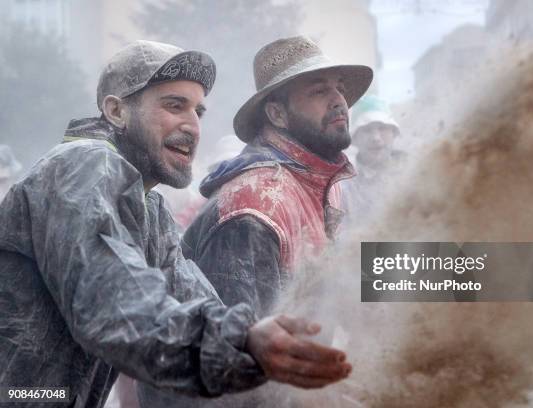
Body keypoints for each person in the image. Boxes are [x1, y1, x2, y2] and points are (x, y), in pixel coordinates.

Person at [0, 40, 352, 408]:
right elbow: (115, 306)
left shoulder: (149, 206)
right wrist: (243, 343)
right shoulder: (81, 166)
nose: (192, 125)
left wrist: (251, 341)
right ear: (117, 111)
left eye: (198, 111)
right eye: (174, 105)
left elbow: (196, 302)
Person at [182, 36, 373, 316]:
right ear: (277, 114)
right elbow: (243, 344)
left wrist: (455, 267)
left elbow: (345, 283)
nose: (338, 101)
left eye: (340, 89)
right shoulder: (253, 203)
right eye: (319, 91)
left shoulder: (323, 184)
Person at [342, 94, 405, 220]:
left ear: (394, 133)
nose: (376, 138)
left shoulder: (417, 172)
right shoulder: (345, 190)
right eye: (366, 130)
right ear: (354, 139)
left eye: (382, 128)